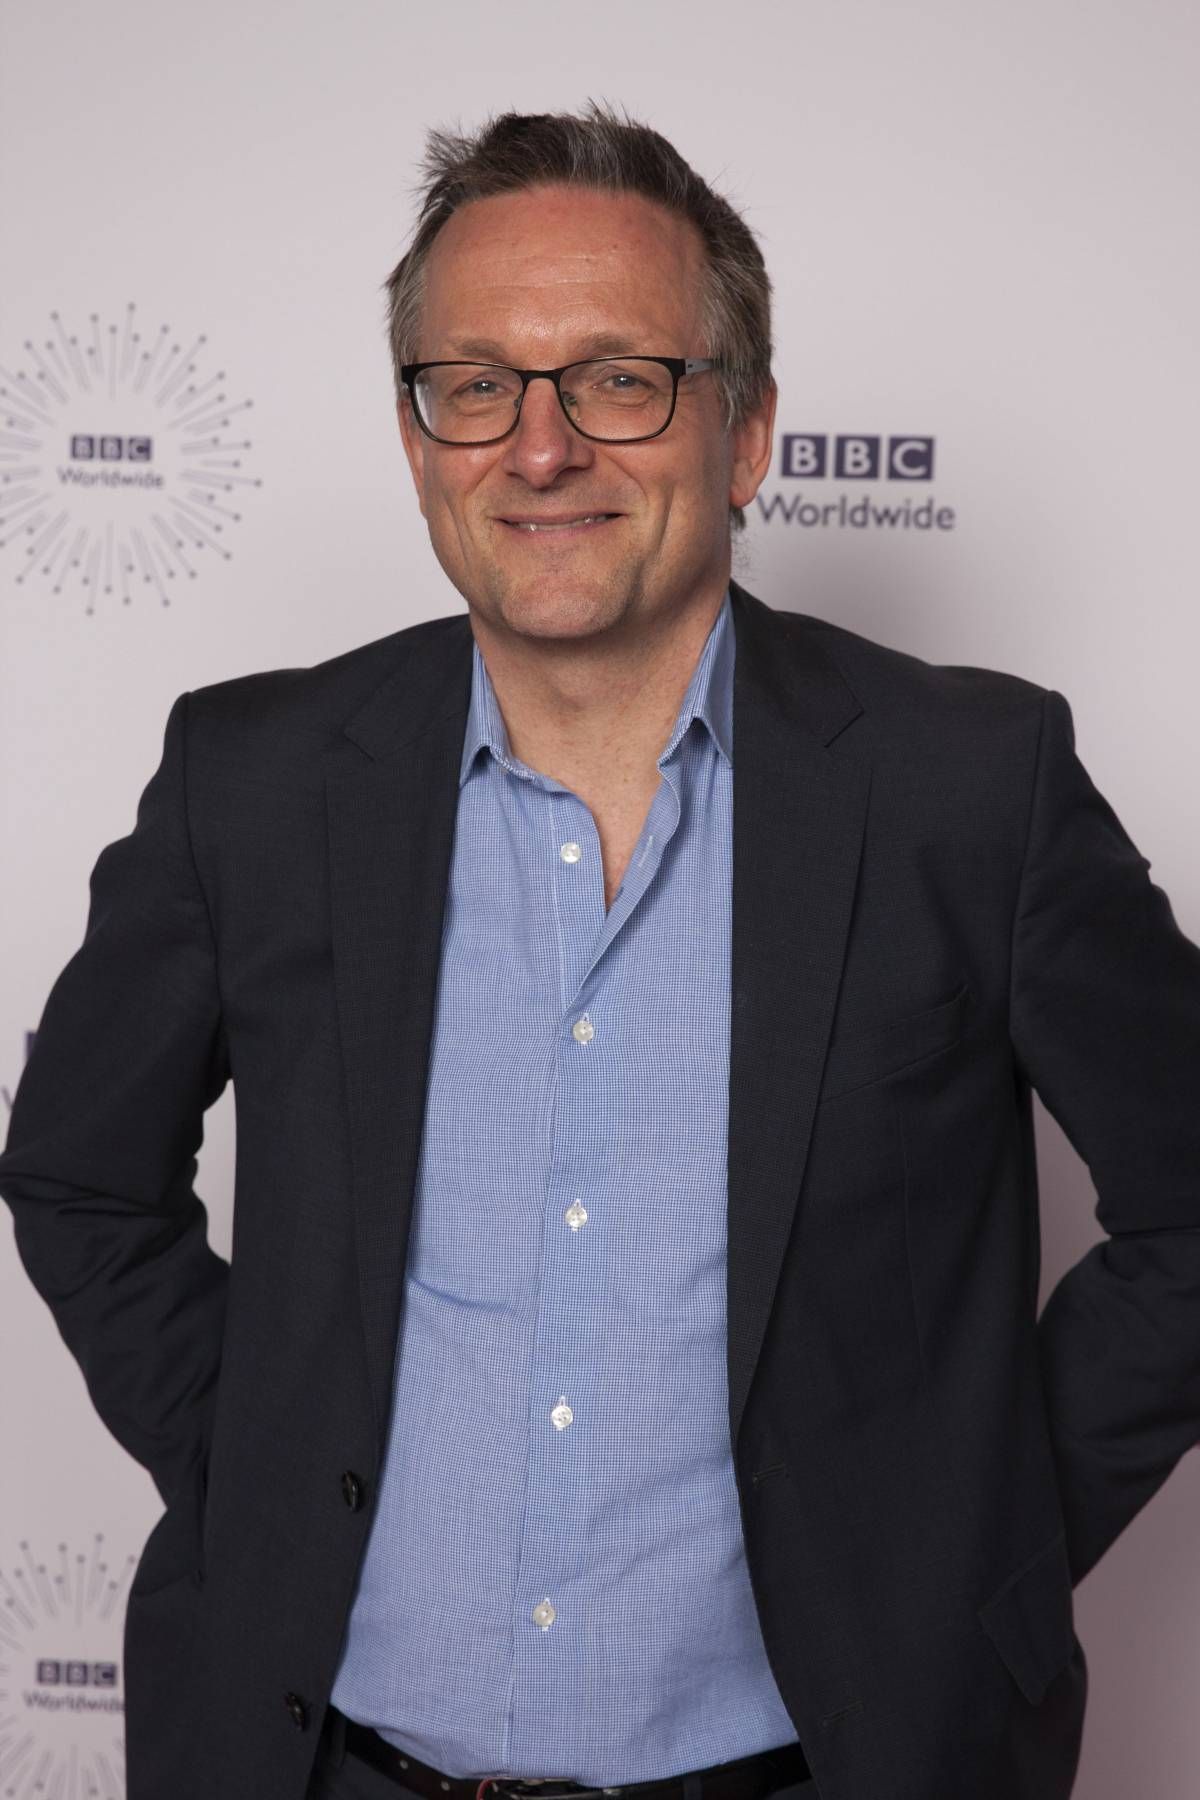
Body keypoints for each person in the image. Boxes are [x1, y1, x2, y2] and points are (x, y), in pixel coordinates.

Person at [3, 102, 1199, 1800]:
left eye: (619, 380)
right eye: (474, 383)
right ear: (419, 438)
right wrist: (253, 1462)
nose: (539, 449)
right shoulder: (253, 782)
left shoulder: (966, 792)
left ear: (751, 430)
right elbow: (79, 1174)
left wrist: (968, 1530)